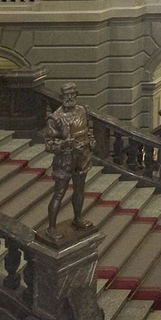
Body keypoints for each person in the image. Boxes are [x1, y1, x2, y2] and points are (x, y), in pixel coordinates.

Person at [44, 83, 94, 231]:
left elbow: (88, 129)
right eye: (67, 94)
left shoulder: (83, 111)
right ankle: (52, 228)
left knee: (79, 190)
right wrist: (65, 144)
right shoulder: (55, 118)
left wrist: (90, 141)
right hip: (65, 160)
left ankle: (78, 218)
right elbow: (49, 144)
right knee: (59, 194)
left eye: (73, 94)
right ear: (62, 97)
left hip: (82, 157)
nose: (70, 97)